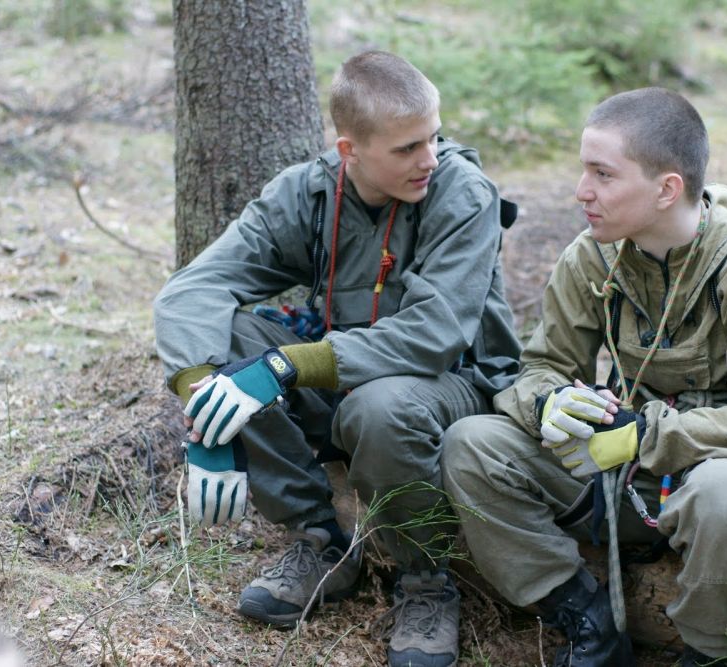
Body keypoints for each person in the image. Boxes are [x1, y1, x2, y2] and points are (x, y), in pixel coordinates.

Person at [153, 50, 521, 667]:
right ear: (351, 150)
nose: (429, 159)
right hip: (348, 386)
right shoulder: (310, 192)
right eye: (407, 148)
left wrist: (283, 368)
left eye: (433, 137)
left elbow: (436, 333)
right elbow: (192, 289)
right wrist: (204, 404)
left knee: (378, 405)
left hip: (454, 388)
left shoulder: (462, 193)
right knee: (234, 340)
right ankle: (319, 540)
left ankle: (426, 581)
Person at [442, 87, 727, 666]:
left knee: (725, 495)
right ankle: (585, 619)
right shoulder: (595, 256)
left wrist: (643, 434)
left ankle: (716, 654)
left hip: (719, 477)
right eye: (583, 170)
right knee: (473, 444)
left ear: (666, 189)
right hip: (623, 476)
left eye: (603, 174)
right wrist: (548, 403)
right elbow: (541, 367)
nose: (581, 191)